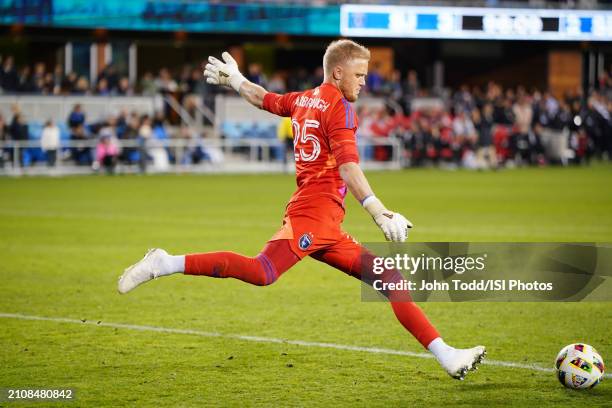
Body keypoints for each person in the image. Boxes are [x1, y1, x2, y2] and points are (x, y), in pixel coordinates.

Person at [118, 40, 486, 380]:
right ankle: (165, 262)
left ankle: (447, 354)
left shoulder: (304, 98)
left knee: (390, 280)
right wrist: (378, 211)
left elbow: (264, 98)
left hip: (327, 222)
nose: (364, 82)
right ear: (337, 73)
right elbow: (348, 166)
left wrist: (236, 80)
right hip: (312, 216)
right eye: (359, 75)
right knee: (262, 271)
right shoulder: (338, 108)